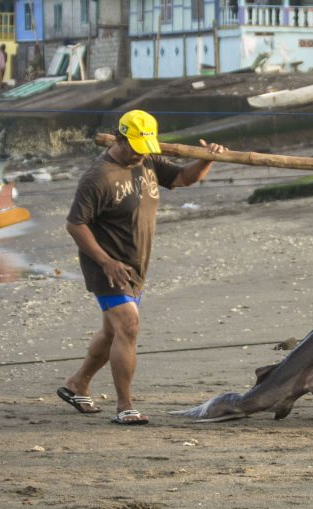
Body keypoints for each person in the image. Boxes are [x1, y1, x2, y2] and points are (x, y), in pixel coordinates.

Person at [59, 110, 227, 426]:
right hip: (107, 265)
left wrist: (206, 159)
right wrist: (106, 262)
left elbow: (181, 178)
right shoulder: (99, 177)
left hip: (136, 263)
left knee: (113, 331)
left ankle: (77, 383)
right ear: (119, 138)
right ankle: (125, 406)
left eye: (144, 145)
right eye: (134, 145)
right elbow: (75, 225)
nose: (140, 151)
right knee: (128, 326)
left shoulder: (146, 159)